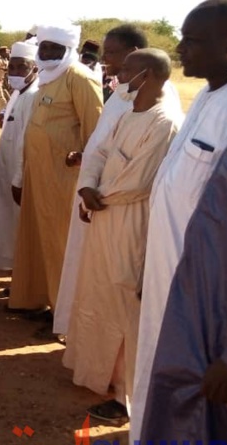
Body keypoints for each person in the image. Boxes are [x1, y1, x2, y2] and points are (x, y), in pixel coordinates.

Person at [132, 2, 227, 445]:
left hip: (221, 316)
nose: (182, 50)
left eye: (196, 40)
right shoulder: (212, 100)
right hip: (179, 289)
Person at [62, 49, 182, 423]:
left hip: (131, 221)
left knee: (125, 301)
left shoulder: (165, 122)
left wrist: (100, 196)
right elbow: (99, 154)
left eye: (126, 69)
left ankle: (126, 395)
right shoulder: (130, 113)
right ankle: (98, 373)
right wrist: (86, 187)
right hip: (103, 215)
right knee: (98, 293)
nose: (117, 73)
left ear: (146, 75)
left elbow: (140, 181)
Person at [53, 24, 182, 340]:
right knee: (91, 281)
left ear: (136, 59)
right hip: (96, 202)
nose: (106, 60)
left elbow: (140, 173)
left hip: (122, 211)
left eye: (112, 54)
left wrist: (97, 194)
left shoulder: (161, 109)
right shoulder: (123, 97)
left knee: (118, 289)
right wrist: (86, 183)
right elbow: (102, 146)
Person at [9, 24, 102, 329]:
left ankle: (62, 313)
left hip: (64, 179)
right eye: (44, 47)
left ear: (68, 50)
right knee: (35, 237)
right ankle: (34, 297)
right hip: (38, 174)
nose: (46, 53)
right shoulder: (48, 78)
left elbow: (95, 132)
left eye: (53, 48)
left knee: (58, 243)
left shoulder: (79, 78)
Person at [0, 40, 38, 272]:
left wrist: (18, 180)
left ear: (35, 68)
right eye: (12, 68)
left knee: (20, 230)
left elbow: (25, 143)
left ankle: (23, 282)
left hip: (18, 180)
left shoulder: (33, 96)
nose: (14, 73)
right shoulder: (19, 93)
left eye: (21, 67)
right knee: (6, 227)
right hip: (6, 175)